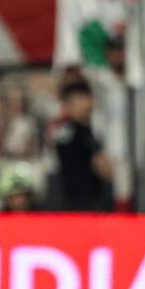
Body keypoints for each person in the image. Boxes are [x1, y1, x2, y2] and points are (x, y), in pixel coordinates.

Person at [51, 81, 114, 212]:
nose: (88, 104)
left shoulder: (61, 131)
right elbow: (104, 169)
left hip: (67, 202)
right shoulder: (82, 133)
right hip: (86, 204)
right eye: (82, 99)